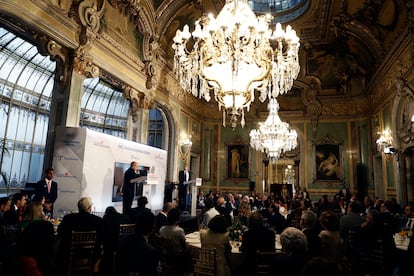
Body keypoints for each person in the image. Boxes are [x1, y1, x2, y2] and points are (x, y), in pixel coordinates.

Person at [56, 197, 103, 274]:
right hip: (90, 254)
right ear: (90, 208)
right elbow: (101, 238)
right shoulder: (98, 220)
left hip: (68, 254)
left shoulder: (68, 218)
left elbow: (59, 232)